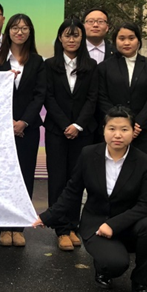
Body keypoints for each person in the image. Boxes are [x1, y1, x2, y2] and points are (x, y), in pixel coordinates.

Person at [33, 106, 147, 292]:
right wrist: (46, 216)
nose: (118, 135)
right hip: (96, 224)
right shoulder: (89, 155)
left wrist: (113, 225)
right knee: (116, 264)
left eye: (124, 129)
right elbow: (72, 192)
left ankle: (140, 282)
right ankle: (103, 267)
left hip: (128, 224)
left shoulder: (143, 162)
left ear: (133, 132)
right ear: (103, 130)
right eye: (112, 128)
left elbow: (146, 204)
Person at [0, 13, 45, 248]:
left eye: (24, 28)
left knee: (25, 176)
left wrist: (23, 122)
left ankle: (19, 226)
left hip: (27, 129)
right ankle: (3, 226)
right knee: (2, 176)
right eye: (15, 28)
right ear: (8, 31)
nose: (19, 32)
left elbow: (39, 95)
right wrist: (7, 122)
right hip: (1, 129)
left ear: (30, 32)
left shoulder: (38, 61)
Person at [43, 17, 99, 252]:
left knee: (77, 179)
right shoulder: (49, 65)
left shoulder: (91, 66)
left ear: (82, 38)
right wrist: (66, 124)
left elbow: (92, 98)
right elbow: (48, 97)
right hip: (57, 131)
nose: (72, 39)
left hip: (83, 133)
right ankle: (61, 229)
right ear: (60, 38)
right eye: (67, 35)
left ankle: (73, 225)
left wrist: (78, 125)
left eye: (76, 35)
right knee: (58, 179)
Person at [97, 22, 147, 158]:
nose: (127, 43)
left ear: (138, 41)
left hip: (144, 130)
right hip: (114, 131)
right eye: (122, 38)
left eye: (131, 38)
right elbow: (101, 97)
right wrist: (120, 123)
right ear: (115, 41)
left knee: (143, 167)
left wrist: (136, 125)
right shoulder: (104, 67)